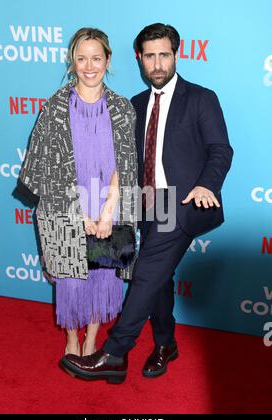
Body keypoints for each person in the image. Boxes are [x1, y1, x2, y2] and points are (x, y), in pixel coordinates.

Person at [60, 23, 233, 383]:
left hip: (182, 202)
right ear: (139, 58)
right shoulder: (135, 104)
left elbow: (220, 150)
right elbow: (123, 159)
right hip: (144, 203)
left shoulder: (201, 98)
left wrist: (206, 185)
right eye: (149, 55)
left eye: (164, 55)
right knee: (160, 279)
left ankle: (115, 353)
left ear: (176, 54)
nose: (157, 64)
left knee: (145, 274)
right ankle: (166, 344)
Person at [18, 28, 137, 357]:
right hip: (64, 204)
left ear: (108, 60)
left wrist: (108, 212)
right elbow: (43, 166)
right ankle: (72, 337)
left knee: (102, 275)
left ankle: (91, 338)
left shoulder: (122, 109)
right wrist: (77, 213)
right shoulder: (54, 107)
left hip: (108, 203)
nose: (89, 66)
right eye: (81, 58)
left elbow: (126, 164)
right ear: (72, 61)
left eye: (96, 58)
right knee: (70, 278)